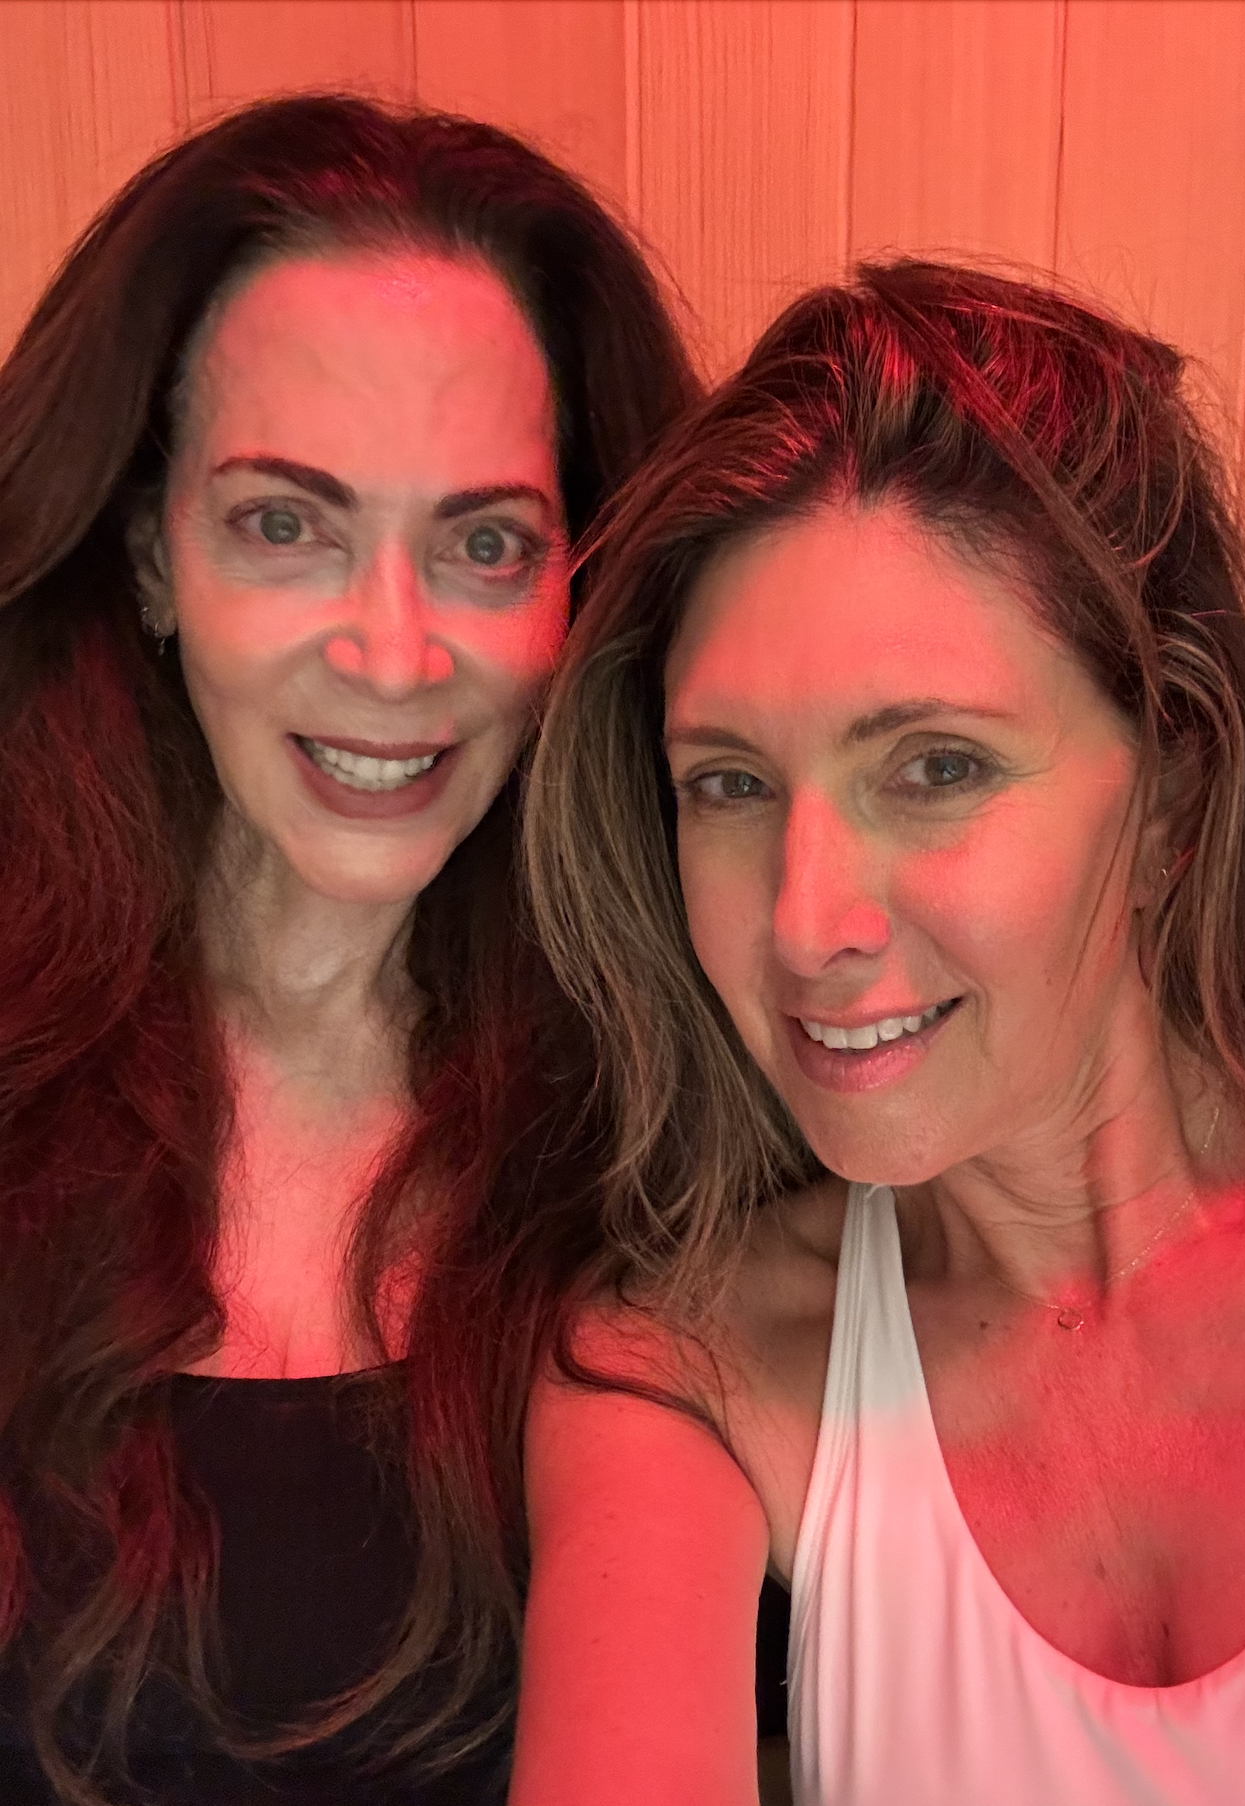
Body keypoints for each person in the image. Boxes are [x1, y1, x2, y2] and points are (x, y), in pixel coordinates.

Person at [516, 259, 1245, 1806]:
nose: (803, 922)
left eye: (936, 767)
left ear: (1173, 790)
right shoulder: (678, 1368)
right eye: (730, 783)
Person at [0, 92, 695, 1805]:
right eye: (285, 522)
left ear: (579, 590)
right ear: (151, 553)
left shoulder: (669, 1124)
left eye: (485, 543)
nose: (395, 654)